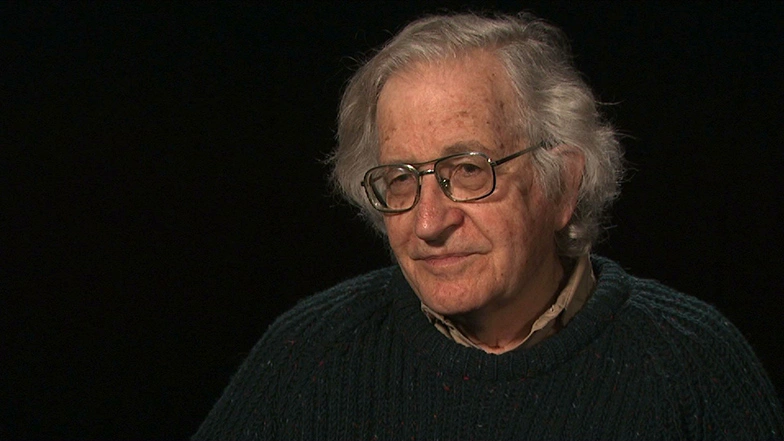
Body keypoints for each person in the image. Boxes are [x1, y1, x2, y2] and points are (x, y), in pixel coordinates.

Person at [194, 12, 784, 440]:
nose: (428, 222)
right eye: (401, 179)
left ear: (562, 185)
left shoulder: (693, 362)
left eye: (469, 171)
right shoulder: (308, 354)